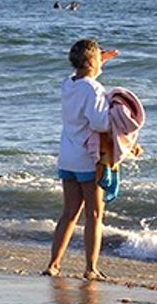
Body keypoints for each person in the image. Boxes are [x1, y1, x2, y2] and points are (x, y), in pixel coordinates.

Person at [43, 39, 118, 281]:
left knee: (69, 213)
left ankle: (54, 264)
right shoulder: (93, 89)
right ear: (89, 62)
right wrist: (114, 112)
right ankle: (90, 267)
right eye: (97, 59)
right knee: (94, 214)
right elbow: (100, 122)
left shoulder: (68, 84)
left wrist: (99, 61)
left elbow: (82, 78)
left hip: (67, 157)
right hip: (88, 158)